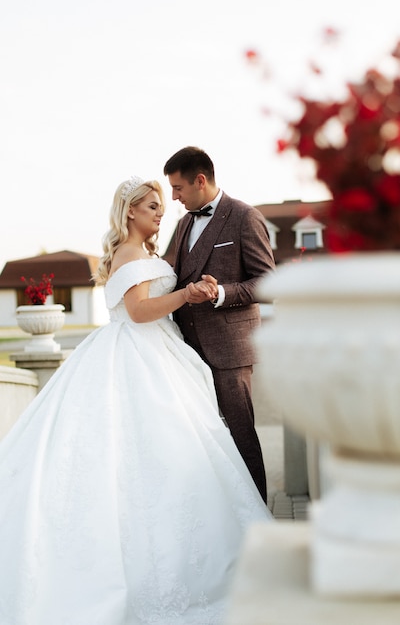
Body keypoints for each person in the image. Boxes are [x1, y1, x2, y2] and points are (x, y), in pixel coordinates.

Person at [0, 176, 272, 625]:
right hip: (138, 356)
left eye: (163, 206)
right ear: (130, 212)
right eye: (151, 207)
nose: (161, 214)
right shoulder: (129, 254)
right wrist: (186, 293)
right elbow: (140, 311)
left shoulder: (147, 254)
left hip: (164, 354)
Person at [163, 147, 276, 503]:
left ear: (200, 180)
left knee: (241, 438)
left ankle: (258, 518)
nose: (174, 197)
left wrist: (221, 293)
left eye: (178, 188)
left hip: (229, 351)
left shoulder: (244, 217)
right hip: (186, 353)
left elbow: (267, 283)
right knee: (203, 440)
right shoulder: (182, 224)